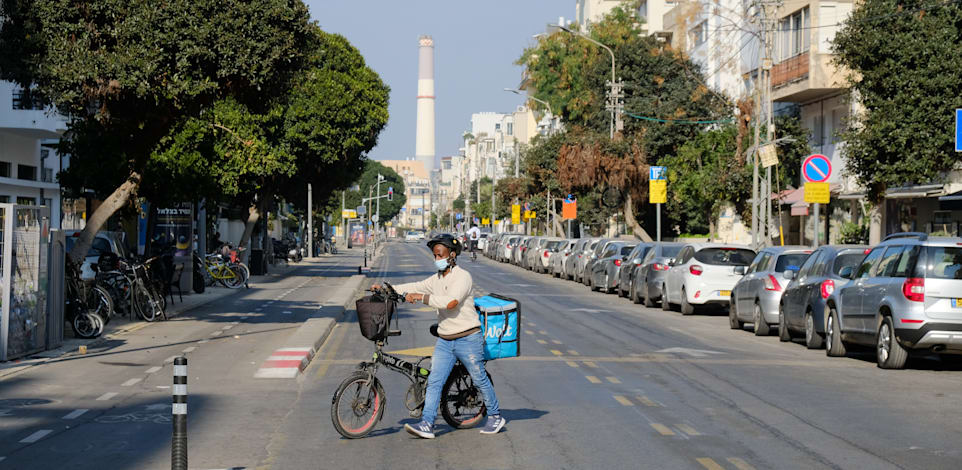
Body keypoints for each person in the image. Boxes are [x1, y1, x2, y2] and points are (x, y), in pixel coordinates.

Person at [372, 234, 505, 439]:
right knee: (435, 381)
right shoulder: (436, 279)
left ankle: (495, 416)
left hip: (468, 338)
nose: (437, 259)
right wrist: (386, 288)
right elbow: (414, 286)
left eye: (440, 255)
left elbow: (450, 302)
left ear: (452, 255)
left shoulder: (462, 277)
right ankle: (427, 423)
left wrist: (421, 298)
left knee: (478, 378)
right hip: (445, 340)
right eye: (434, 256)